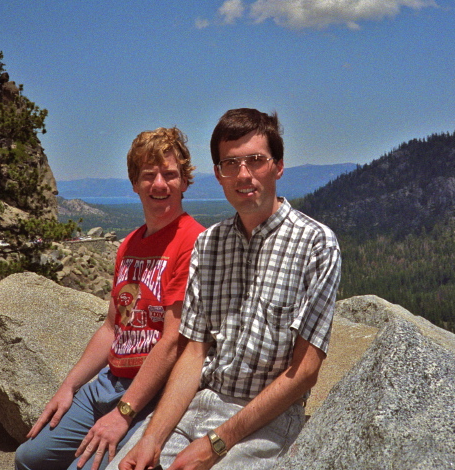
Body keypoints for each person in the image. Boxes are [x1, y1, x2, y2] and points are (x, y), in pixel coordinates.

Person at [115, 108, 341, 470]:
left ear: (278, 166)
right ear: (219, 174)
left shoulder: (316, 245)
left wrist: (218, 442)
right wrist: (152, 439)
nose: (243, 175)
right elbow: (193, 353)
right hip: (196, 404)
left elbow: (306, 371)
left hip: (266, 419)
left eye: (255, 160)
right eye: (230, 164)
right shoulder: (210, 245)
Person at [15, 127, 205, 470]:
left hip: (151, 392)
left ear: (185, 182)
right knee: (28, 458)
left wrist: (124, 412)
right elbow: (111, 328)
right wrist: (69, 386)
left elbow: (173, 341)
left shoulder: (192, 242)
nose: (159, 184)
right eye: (149, 176)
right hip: (108, 382)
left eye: (170, 174)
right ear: (134, 184)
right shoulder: (128, 245)